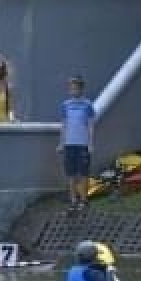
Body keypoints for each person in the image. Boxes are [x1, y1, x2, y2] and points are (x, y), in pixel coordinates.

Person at [59, 74, 98, 212]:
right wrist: (61, 143)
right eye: (71, 88)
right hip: (69, 144)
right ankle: (73, 200)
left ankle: (84, 200)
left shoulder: (87, 105)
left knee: (83, 173)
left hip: (82, 144)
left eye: (76, 88)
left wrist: (90, 143)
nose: (73, 90)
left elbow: (91, 125)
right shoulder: (65, 105)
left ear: (81, 89)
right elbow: (64, 125)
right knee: (70, 173)